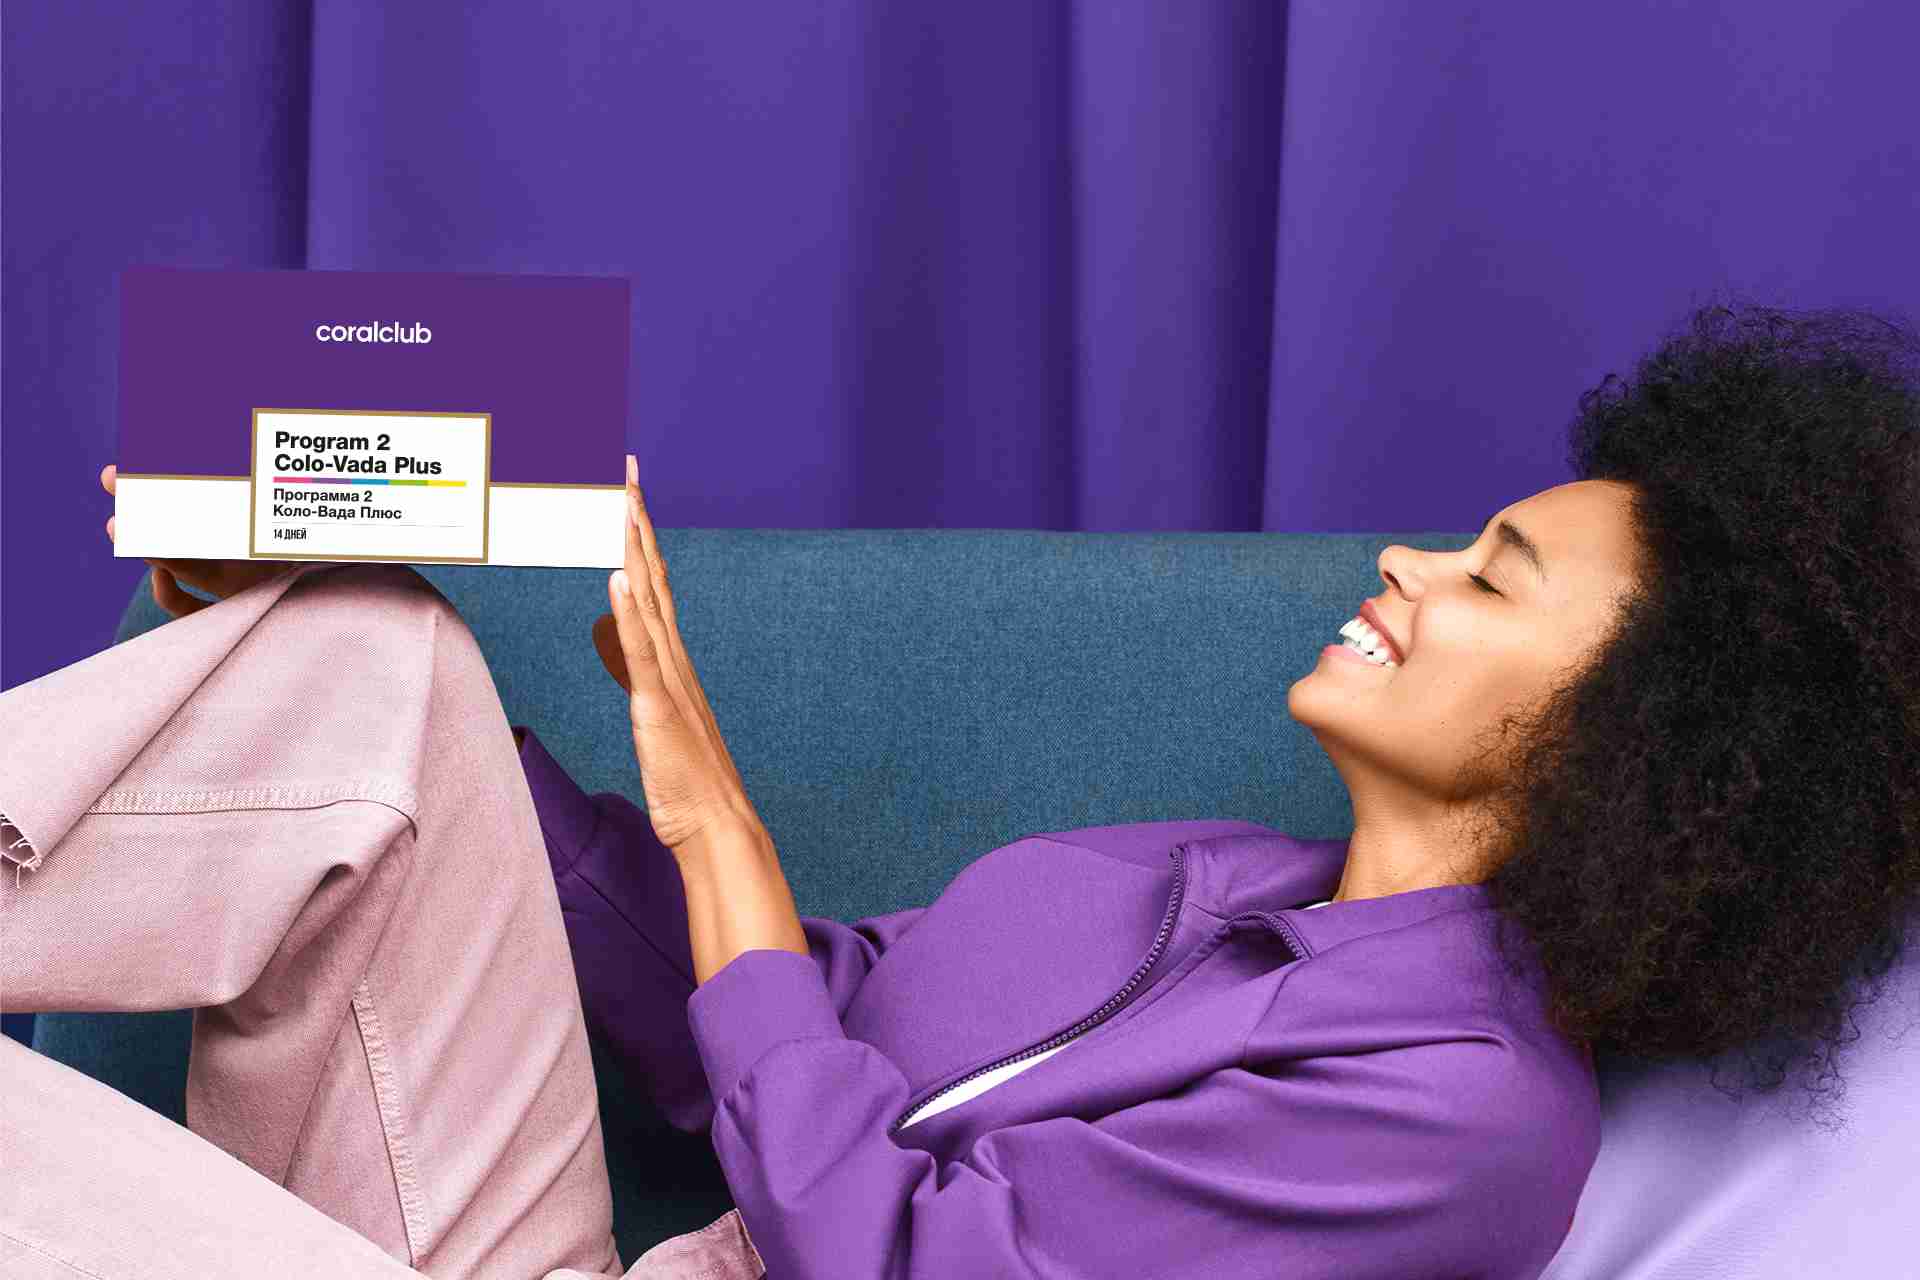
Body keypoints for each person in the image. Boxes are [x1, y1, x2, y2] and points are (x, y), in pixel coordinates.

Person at [5, 298, 1916, 1279]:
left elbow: (905, 1264)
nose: (1408, 566)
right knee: (378, 658)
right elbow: (753, 1031)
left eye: (1490, 579)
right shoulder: (1206, 873)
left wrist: (718, 821)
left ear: (1630, 745)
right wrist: (453, 798)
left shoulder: (1463, 1114)